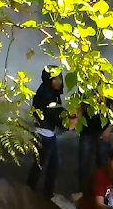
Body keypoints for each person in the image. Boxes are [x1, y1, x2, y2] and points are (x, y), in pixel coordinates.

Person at [27, 65, 77, 199]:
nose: (58, 81)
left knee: (50, 164)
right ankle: (32, 191)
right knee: (43, 165)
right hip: (43, 134)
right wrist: (71, 123)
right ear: (48, 79)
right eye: (54, 78)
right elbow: (55, 117)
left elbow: (57, 113)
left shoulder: (49, 92)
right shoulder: (46, 95)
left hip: (46, 133)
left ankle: (43, 192)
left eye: (59, 78)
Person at [77, 89, 113, 193]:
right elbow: (80, 105)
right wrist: (76, 122)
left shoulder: (107, 85)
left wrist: (110, 128)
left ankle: (106, 193)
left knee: (103, 163)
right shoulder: (84, 83)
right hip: (86, 130)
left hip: (103, 130)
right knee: (83, 164)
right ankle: (84, 193)